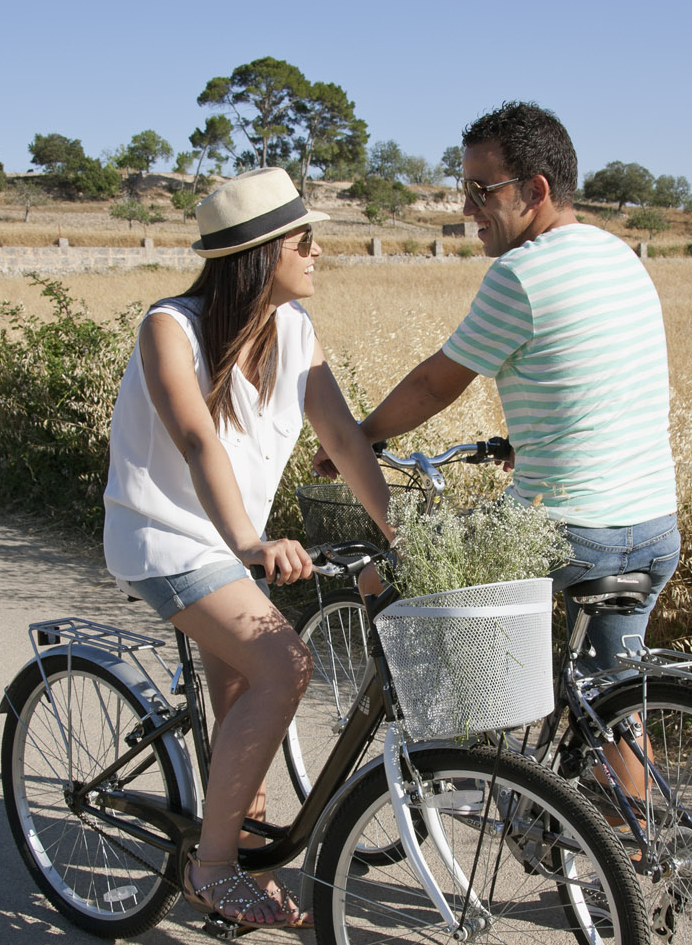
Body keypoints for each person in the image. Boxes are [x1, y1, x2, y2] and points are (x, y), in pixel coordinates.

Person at [103, 167, 394, 929]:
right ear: (261, 254)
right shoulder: (169, 327)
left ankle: (231, 859)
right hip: (165, 536)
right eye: (306, 241)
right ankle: (210, 870)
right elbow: (198, 438)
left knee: (243, 698)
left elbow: (344, 438)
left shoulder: (292, 331)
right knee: (284, 665)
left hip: (229, 547)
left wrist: (397, 536)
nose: (318, 252)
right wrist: (247, 541)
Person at [315, 101, 679, 677]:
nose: (467, 208)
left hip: (568, 532)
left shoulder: (520, 274)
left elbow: (435, 385)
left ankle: (452, 763)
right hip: (654, 526)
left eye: (482, 190)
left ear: (534, 190)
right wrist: (526, 442)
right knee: (618, 709)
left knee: (379, 579)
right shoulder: (619, 256)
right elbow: (599, 381)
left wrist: (357, 436)